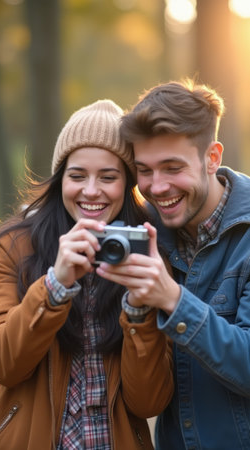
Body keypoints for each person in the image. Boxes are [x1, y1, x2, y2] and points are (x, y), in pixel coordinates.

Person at [0, 99, 174, 450]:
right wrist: (54, 285)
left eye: (108, 177)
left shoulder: (148, 257)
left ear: (128, 184)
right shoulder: (14, 248)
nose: (91, 191)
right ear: (61, 179)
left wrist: (139, 312)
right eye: (77, 176)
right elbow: (3, 365)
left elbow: (148, 403)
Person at [96, 79, 250, 450]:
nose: (157, 186)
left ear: (212, 158)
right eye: (144, 170)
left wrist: (173, 299)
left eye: (172, 167)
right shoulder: (141, 232)